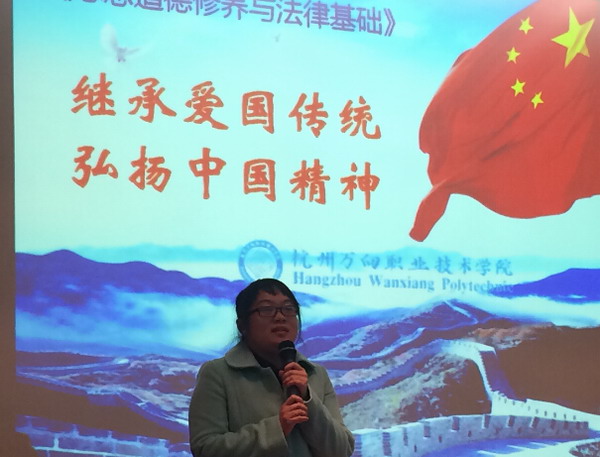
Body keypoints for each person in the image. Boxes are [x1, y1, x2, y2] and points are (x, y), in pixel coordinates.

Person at [188, 278, 355, 457]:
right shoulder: (218, 373)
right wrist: (277, 428)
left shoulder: (316, 374)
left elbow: (341, 451)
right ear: (242, 325)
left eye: (288, 309)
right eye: (267, 309)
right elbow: (205, 448)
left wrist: (308, 398)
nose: (280, 317)